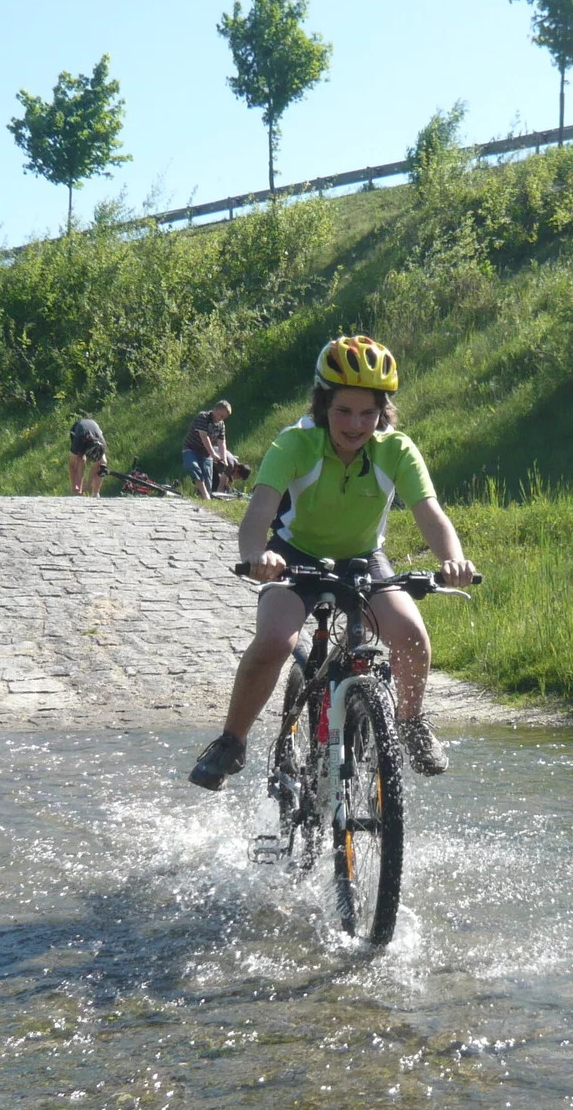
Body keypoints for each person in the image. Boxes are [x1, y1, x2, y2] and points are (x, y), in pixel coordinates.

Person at [189, 334, 476, 791]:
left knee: (411, 634)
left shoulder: (396, 449)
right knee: (275, 641)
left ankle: (411, 722)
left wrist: (454, 560)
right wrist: (255, 557)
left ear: (383, 412)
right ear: (324, 406)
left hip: (363, 558)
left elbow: (431, 515)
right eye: (343, 410)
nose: (356, 423)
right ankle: (231, 741)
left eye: (369, 412)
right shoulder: (295, 444)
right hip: (292, 556)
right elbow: (257, 516)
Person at [182, 400, 237, 500]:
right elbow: (204, 437)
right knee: (194, 467)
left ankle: (202, 499)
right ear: (215, 410)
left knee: (207, 481)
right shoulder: (203, 417)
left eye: (225, 417)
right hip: (191, 449)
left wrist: (223, 458)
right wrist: (214, 455)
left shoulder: (221, 425)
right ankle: (206, 496)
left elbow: (222, 442)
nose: (222, 419)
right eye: (221, 416)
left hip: (205, 454)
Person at [68, 417, 107, 497]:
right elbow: (72, 465)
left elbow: (97, 465)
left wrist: (88, 485)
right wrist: (74, 486)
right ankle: (78, 490)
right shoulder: (78, 441)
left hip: (95, 434)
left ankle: (95, 493)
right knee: (81, 460)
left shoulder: (102, 444)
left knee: (103, 463)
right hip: (78, 431)